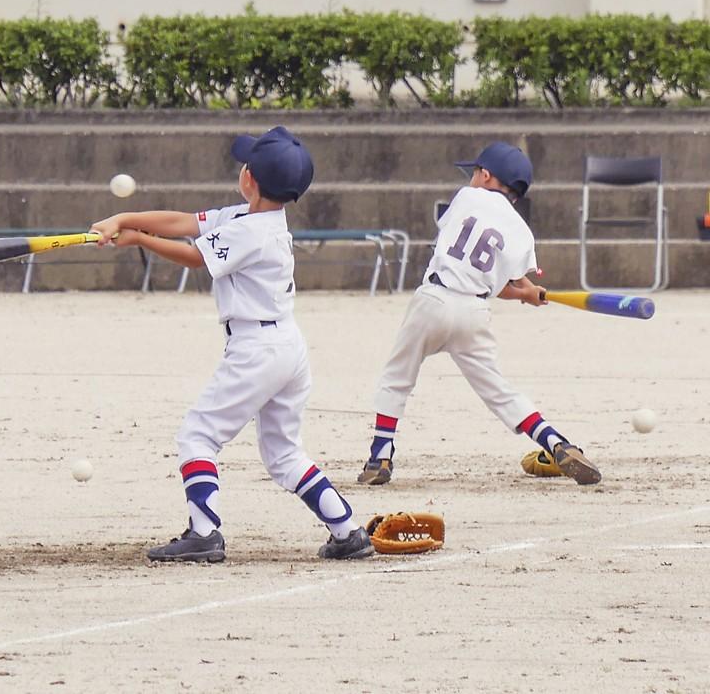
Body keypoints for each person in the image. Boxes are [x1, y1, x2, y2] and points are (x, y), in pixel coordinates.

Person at [90, 127, 374, 562]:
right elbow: (184, 223)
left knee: (197, 436)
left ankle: (204, 533)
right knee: (283, 453)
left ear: (251, 180)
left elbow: (195, 257)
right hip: (284, 345)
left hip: (257, 348)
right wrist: (123, 221)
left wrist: (139, 240)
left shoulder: (253, 231)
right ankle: (347, 531)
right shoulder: (249, 217)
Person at [357, 142, 602, 487]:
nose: (472, 178)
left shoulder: (466, 198)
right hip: (474, 311)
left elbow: (462, 256)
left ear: (486, 175)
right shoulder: (522, 232)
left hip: (434, 300)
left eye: (475, 173)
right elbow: (502, 284)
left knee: (397, 377)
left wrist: (523, 292)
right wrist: (526, 292)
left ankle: (380, 456)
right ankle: (556, 442)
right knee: (500, 390)